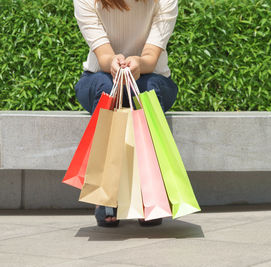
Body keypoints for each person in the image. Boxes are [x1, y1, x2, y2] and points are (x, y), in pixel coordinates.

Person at [73, 0, 179, 227]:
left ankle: (149, 196)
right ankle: (106, 196)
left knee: (145, 91)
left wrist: (138, 63)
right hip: (98, 76)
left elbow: (151, 57)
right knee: (107, 88)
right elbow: (103, 56)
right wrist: (113, 61)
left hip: (153, 76)